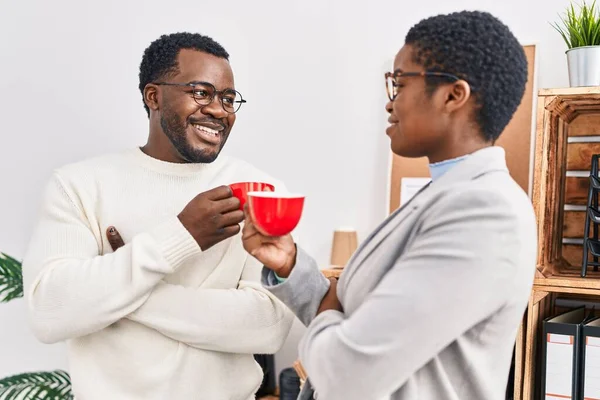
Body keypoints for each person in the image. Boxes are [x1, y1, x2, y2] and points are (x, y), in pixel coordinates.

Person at [242, 11, 536, 400]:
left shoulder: (486, 214)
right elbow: (355, 318)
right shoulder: (444, 195)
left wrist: (330, 315)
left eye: (399, 83)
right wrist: (290, 265)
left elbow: (349, 371)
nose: (389, 103)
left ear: (453, 95)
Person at [22, 32, 294, 400]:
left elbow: (268, 327)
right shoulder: (79, 186)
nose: (218, 110)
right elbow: (50, 313)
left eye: (228, 99)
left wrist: (123, 288)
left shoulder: (260, 191)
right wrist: (181, 236)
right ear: (154, 96)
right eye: (201, 93)